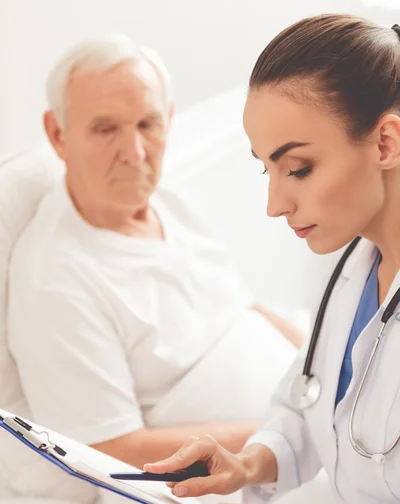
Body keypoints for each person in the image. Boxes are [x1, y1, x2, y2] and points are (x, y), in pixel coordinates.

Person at [145, 15, 400, 504]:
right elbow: (305, 399)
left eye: (299, 169)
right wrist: (247, 464)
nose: (274, 204)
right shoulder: (354, 270)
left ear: (385, 143)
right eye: (268, 168)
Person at [7, 34, 302, 473]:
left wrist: (328, 366)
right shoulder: (55, 282)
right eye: (106, 129)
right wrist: (289, 435)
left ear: (168, 120)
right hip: (224, 474)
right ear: (57, 134)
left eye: (148, 124)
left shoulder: (170, 204)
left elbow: (245, 308)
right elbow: (110, 450)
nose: (134, 153)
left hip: (294, 425)